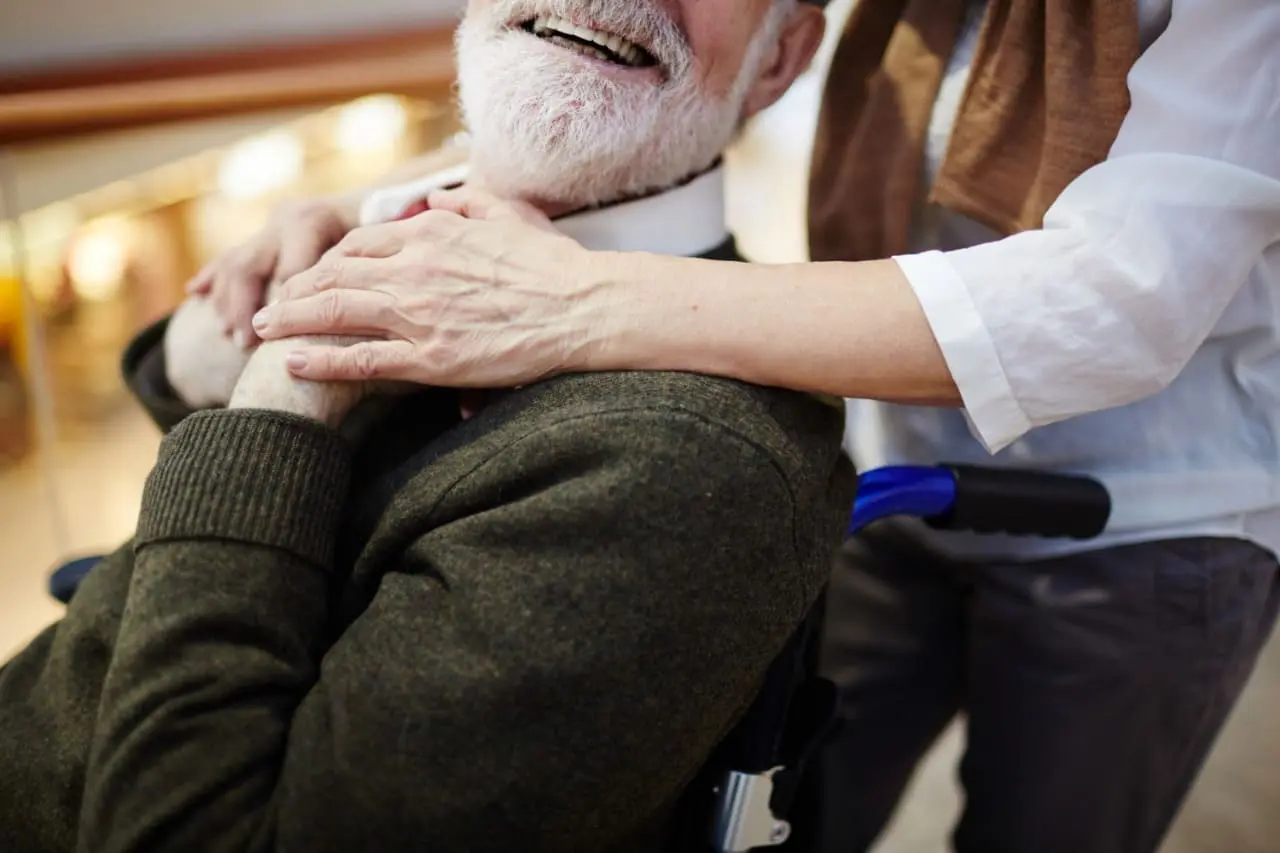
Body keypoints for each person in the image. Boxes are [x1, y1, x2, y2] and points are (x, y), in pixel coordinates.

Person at [241, 1, 1280, 852]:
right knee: (780, 803)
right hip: (892, 467)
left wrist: (579, 302)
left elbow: (1118, 300)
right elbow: (654, 84)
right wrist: (394, 214)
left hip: (1144, 520)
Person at [0, 1, 853, 851]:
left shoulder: (695, 460)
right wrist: (206, 352)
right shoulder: (404, 219)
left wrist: (291, 380)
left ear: (779, 56)